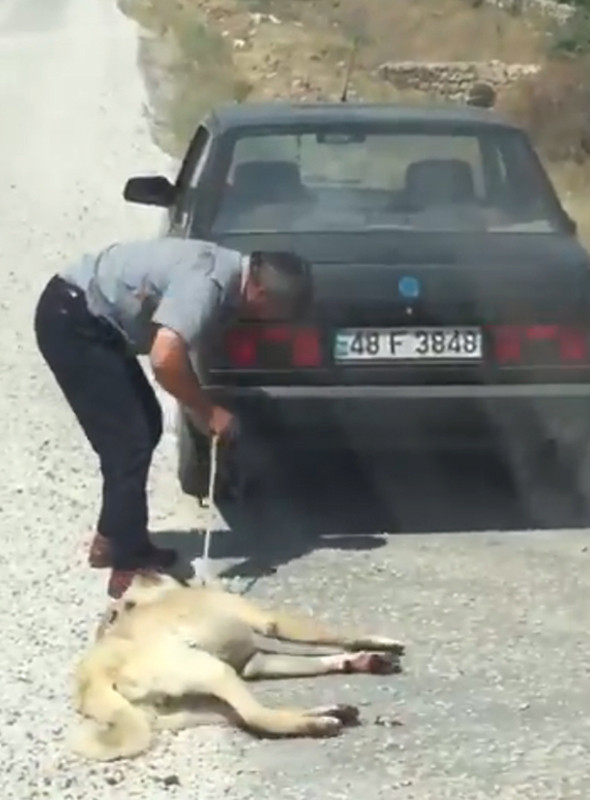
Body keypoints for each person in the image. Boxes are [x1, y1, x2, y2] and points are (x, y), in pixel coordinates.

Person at [33, 238, 312, 598]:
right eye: (281, 310)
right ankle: (129, 570)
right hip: (73, 321)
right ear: (260, 292)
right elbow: (165, 359)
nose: (278, 319)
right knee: (128, 442)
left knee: (145, 425)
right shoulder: (208, 284)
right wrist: (207, 410)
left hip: (91, 319)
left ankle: (112, 537)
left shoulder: (229, 276)